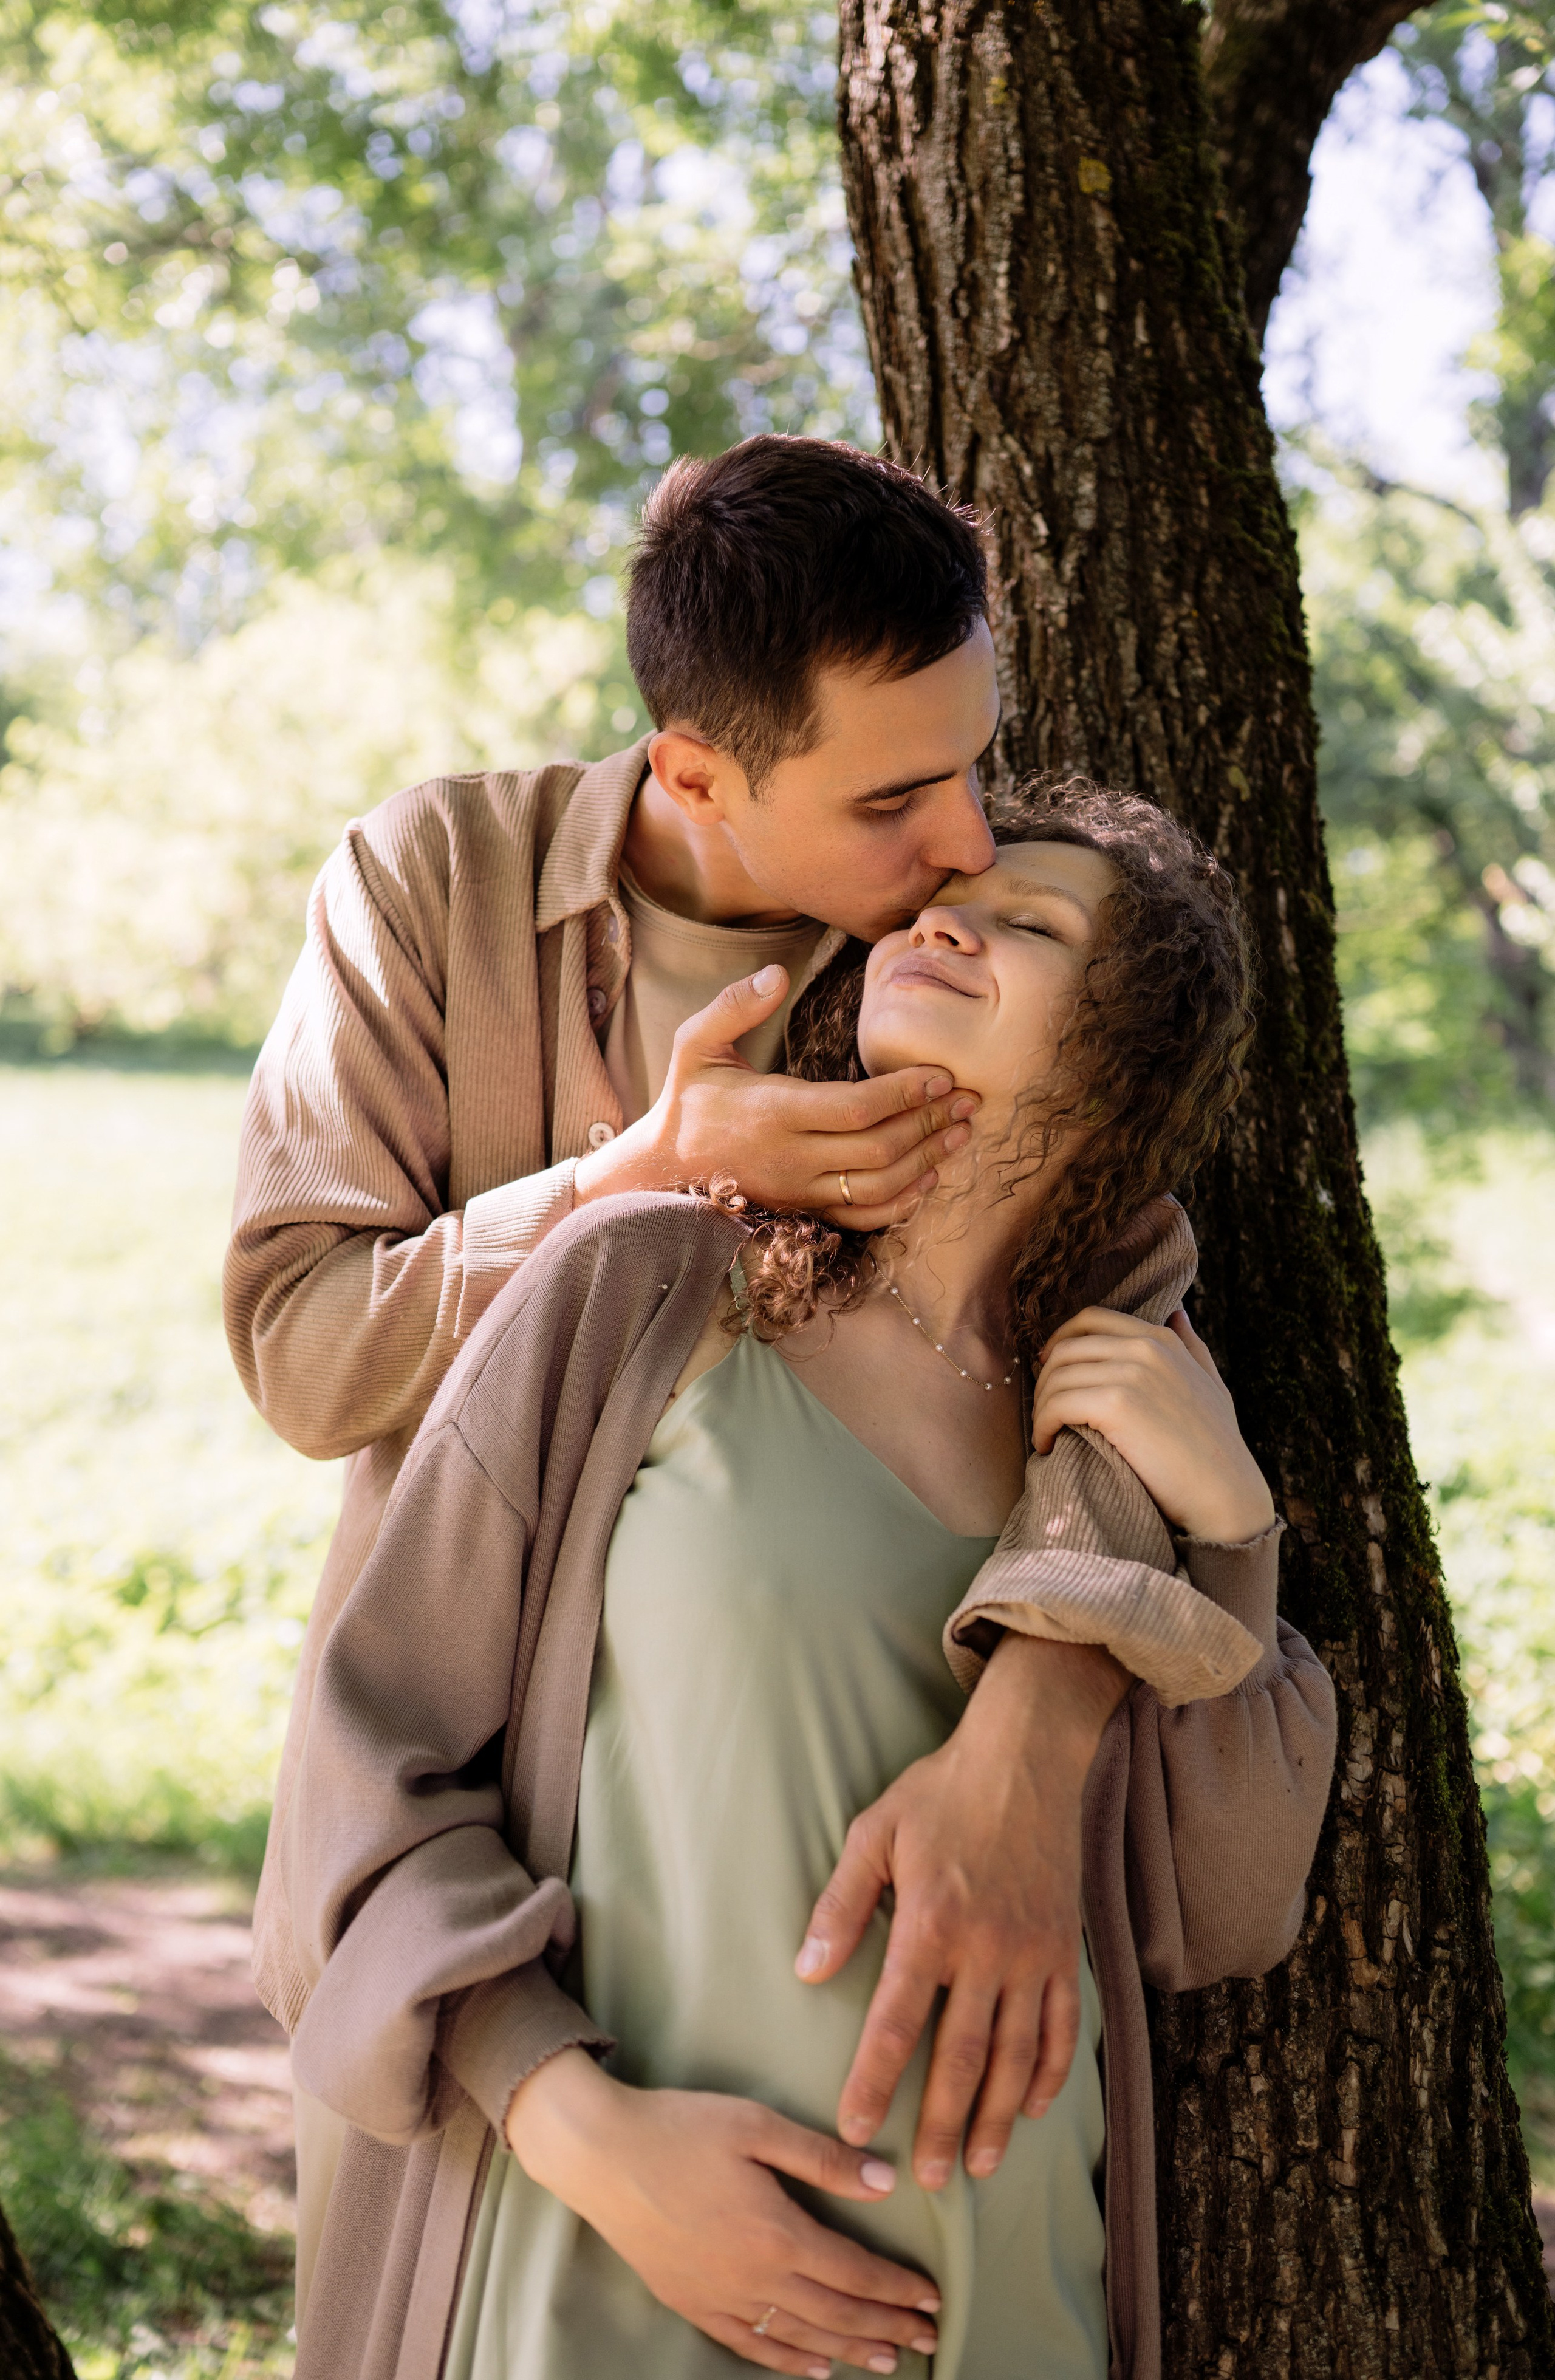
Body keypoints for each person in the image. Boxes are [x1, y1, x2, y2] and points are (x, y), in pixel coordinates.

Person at [226, 439, 1263, 2318]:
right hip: (470, 1831)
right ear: (700, 774)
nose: (962, 841)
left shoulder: (945, 961)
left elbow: (1114, 1345)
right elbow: (304, 1353)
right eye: (897, 798)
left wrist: (1032, 1741)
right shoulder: (430, 885)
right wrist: (638, 1179)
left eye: (973, 763)